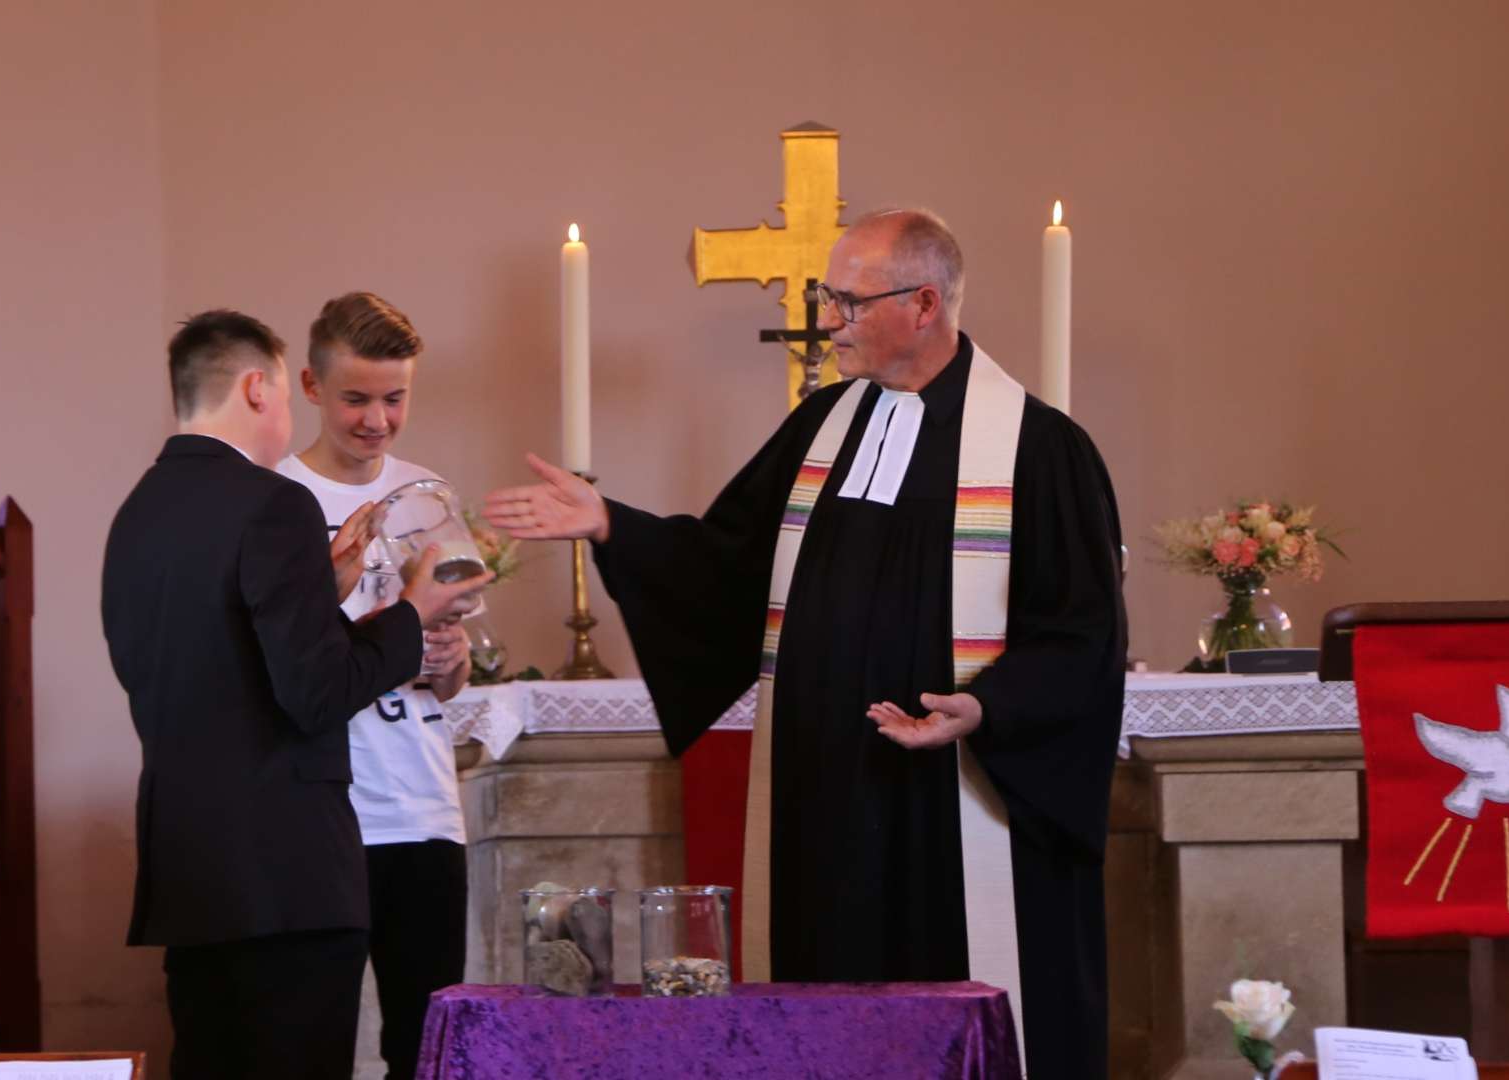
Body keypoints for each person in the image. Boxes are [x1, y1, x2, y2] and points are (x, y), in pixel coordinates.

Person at [485, 209, 1127, 1079]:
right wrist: (614, 526)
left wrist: (985, 706)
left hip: (959, 797)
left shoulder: (1041, 451)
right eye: (831, 298)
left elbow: (1083, 634)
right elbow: (725, 564)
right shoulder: (823, 426)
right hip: (825, 791)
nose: (829, 322)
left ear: (925, 303)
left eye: (849, 303)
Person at [102, 309, 487, 1080]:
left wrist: (326, 590)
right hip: (288, 871)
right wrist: (409, 612)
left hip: (193, 870)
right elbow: (314, 695)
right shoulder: (273, 502)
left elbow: (214, 667)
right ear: (260, 388)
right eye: (281, 398)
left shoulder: (137, 514)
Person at [276, 292, 474, 1080]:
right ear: (311, 387)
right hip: (323, 816)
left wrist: (450, 654)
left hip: (423, 811)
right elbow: (275, 665)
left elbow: (454, 677)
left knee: (425, 1051)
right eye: (357, 398)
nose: (377, 420)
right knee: (310, 1047)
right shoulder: (275, 499)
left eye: (395, 398)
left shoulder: (427, 493)